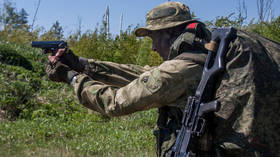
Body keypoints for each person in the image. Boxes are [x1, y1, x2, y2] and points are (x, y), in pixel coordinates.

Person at [45, 2, 280, 157]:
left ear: (169, 33)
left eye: (153, 38)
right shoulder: (207, 57)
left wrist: (71, 77)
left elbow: (114, 102)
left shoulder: (180, 70)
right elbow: (144, 74)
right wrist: (85, 65)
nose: (154, 48)